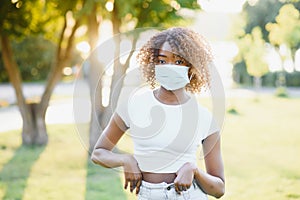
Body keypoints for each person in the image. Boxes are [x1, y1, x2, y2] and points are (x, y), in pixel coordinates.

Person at [91, 27, 225, 200]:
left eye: (178, 62)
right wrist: (125, 160)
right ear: (154, 63)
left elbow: (219, 189)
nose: (169, 67)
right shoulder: (134, 105)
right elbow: (99, 153)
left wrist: (194, 170)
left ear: (191, 66)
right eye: (162, 61)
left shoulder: (204, 118)